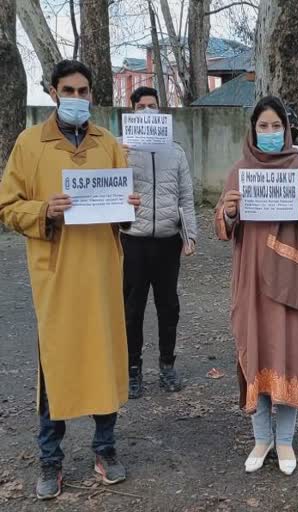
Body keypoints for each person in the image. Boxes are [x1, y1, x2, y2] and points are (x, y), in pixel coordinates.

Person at [0, 60, 140, 500]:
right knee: (55, 367)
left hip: (100, 273)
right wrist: (45, 211)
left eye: (84, 91)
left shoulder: (108, 144)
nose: (77, 98)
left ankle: (105, 449)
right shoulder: (29, 144)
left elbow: (124, 215)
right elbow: (8, 206)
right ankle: (50, 458)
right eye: (69, 90)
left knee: (102, 359)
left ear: (92, 94)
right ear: (53, 92)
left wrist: (128, 205)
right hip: (56, 278)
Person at [214, 96, 298, 476]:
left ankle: (285, 440)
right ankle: (261, 438)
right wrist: (229, 213)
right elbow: (222, 224)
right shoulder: (239, 172)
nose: (269, 133)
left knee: (291, 354)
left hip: (292, 282)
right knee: (258, 353)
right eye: (262, 126)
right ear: (253, 130)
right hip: (251, 282)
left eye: (275, 126)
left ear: (286, 130)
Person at [120, 86, 198, 398]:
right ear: (132, 111)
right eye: (141, 107)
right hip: (133, 241)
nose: (148, 111)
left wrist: (190, 234)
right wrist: (118, 160)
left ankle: (167, 365)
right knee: (132, 308)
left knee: (169, 307)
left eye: (153, 106)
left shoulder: (175, 151)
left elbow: (186, 196)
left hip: (167, 241)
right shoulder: (119, 150)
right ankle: (133, 369)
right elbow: (108, 193)